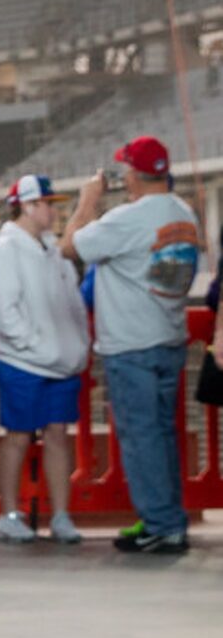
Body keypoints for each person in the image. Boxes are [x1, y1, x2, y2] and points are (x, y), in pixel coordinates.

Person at [62, 134, 201, 554]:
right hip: (169, 338)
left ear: (133, 175)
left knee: (142, 437)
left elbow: (71, 245)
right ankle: (169, 518)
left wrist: (87, 201)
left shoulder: (129, 218)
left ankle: (161, 525)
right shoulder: (183, 211)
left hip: (131, 345)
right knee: (160, 435)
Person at [0, 174, 90, 544]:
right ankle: (8, 514)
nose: (53, 210)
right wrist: (37, 345)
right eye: (47, 203)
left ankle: (61, 516)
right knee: (17, 437)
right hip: (22, 362)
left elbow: (71, 301)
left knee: (59, 435)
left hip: (58, 359)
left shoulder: (51, 250)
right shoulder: (4, 250)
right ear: (28, 205)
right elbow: (4, 312)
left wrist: (75, 343)